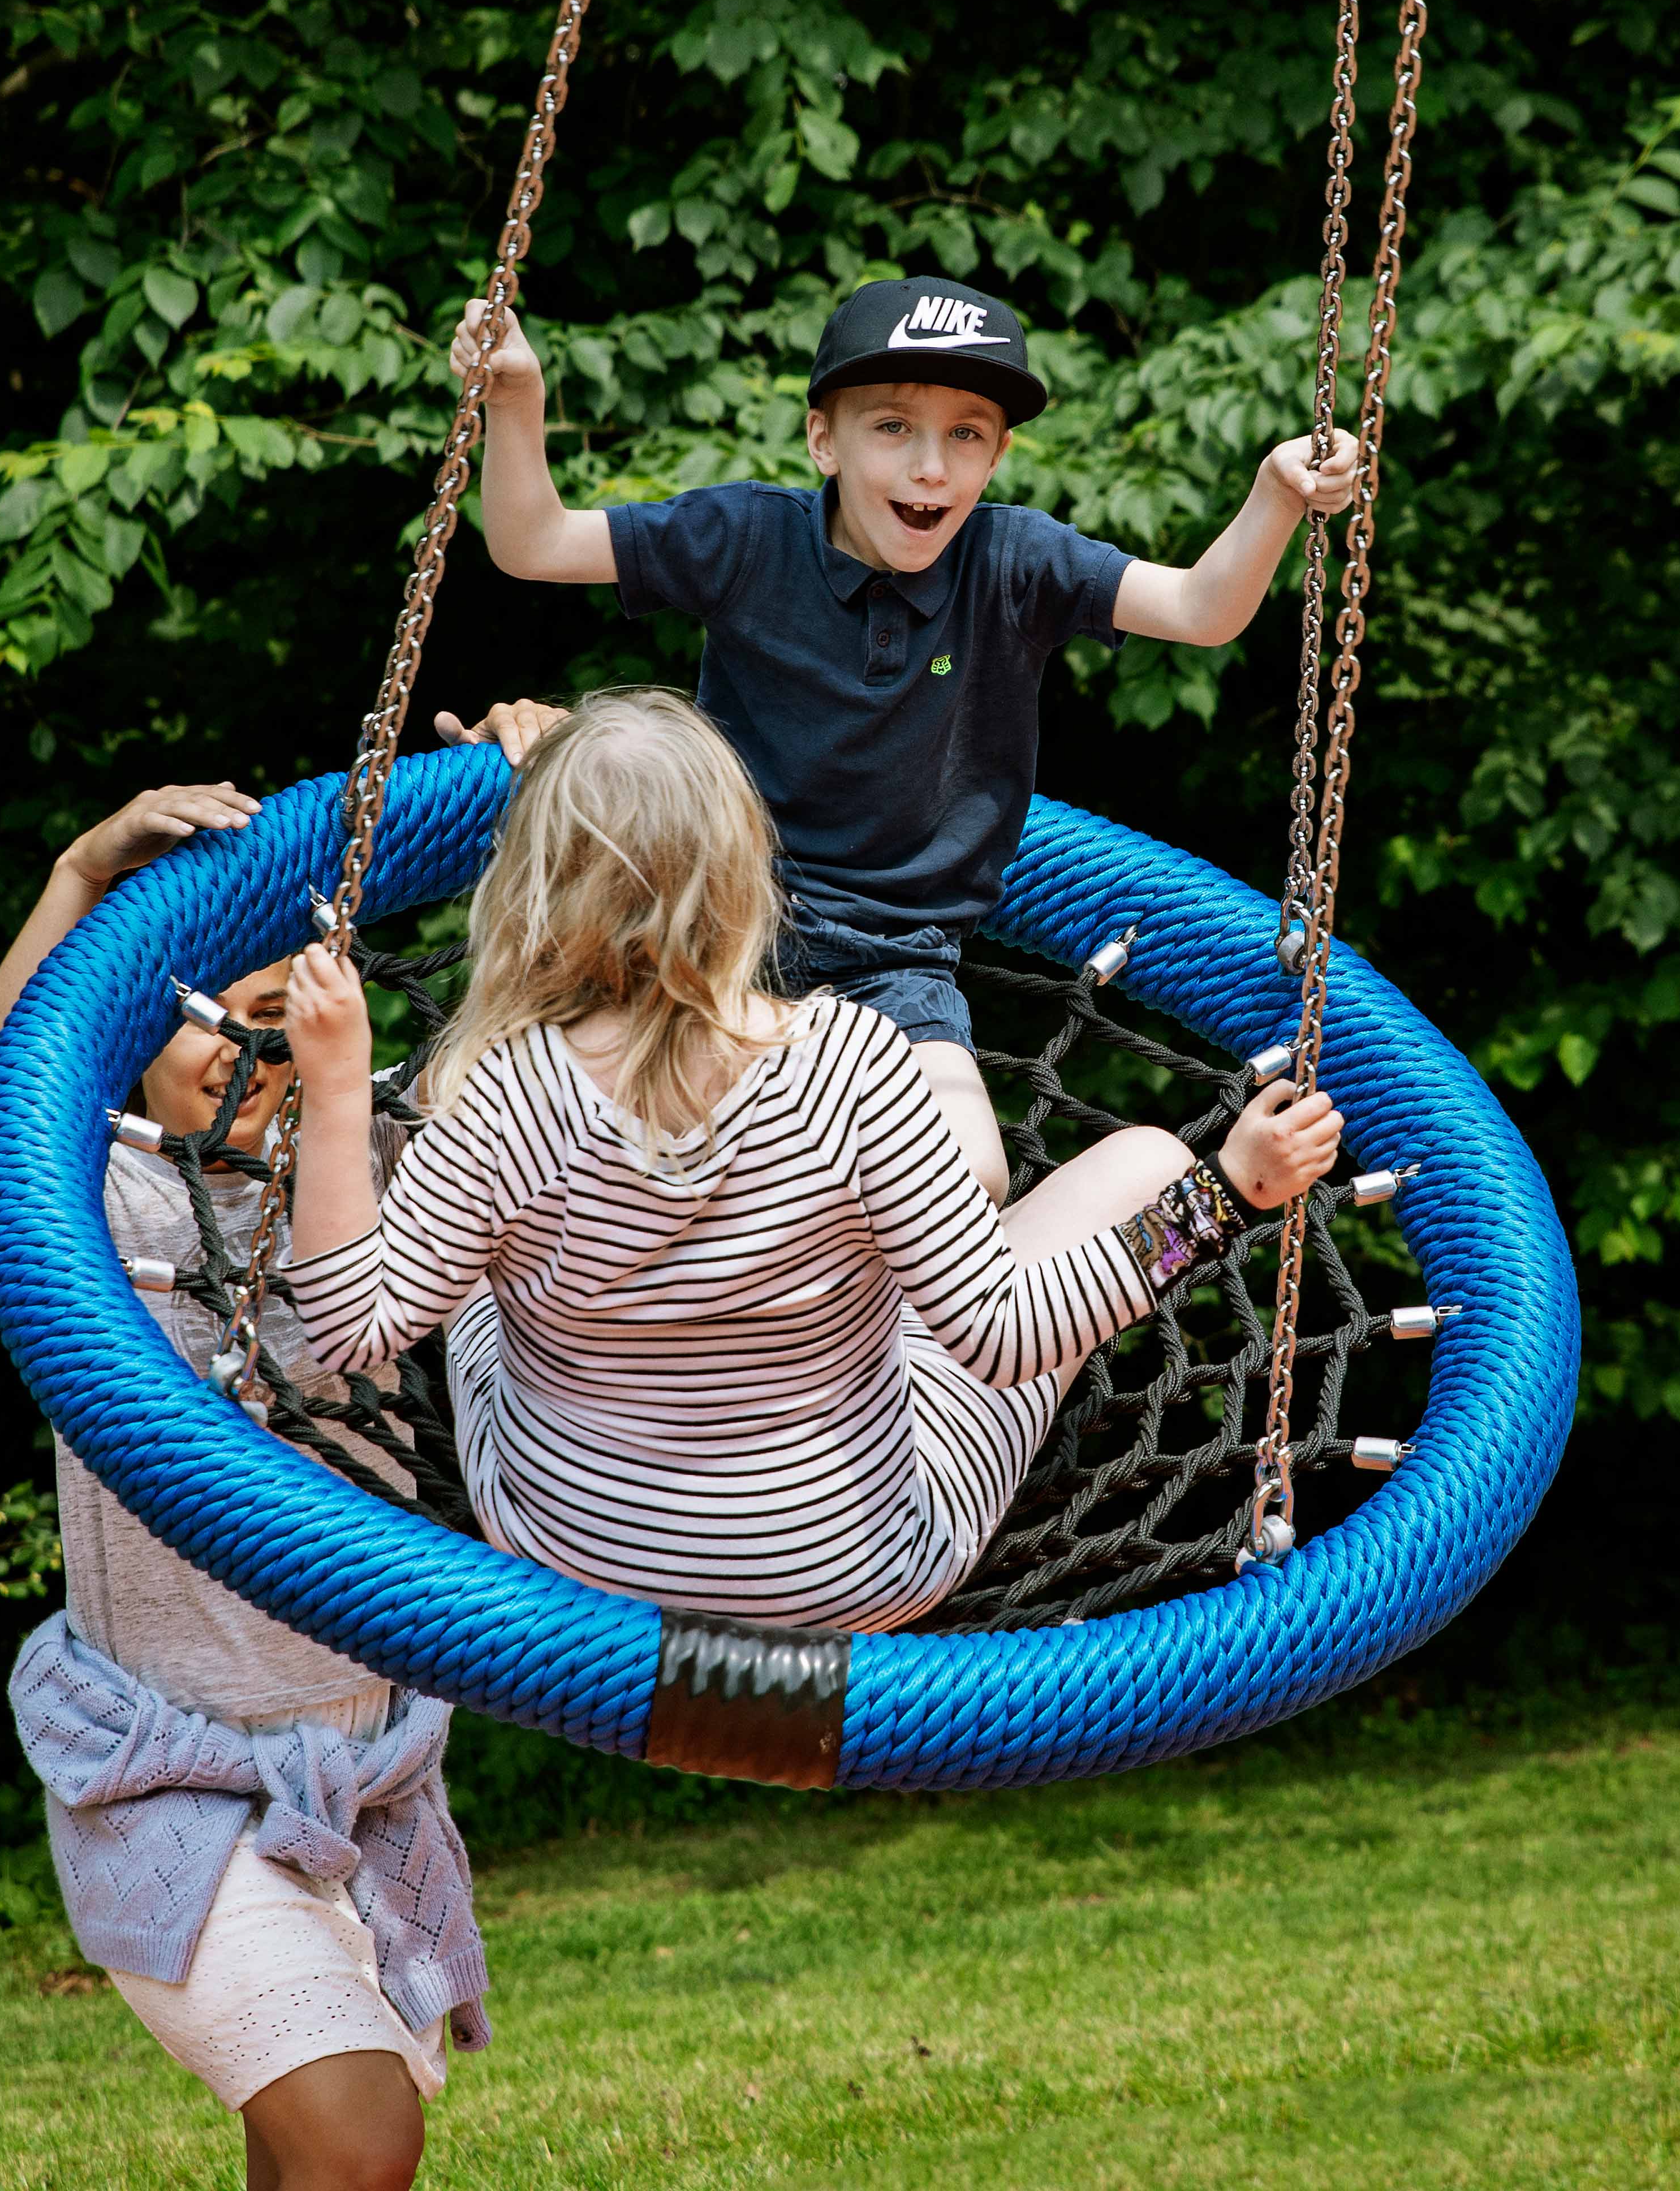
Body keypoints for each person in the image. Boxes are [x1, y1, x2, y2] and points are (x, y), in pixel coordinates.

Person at [281, 690, 1341, 1636]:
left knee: (435, 1171)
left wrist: (334, 1090)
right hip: (856, 1560)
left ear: (530, 892)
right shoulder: (855, 1063)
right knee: (1149, 1158)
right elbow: (1007, 1333)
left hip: (575, 1561)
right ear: (752, 872)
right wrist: (1226, 1190)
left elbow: (348, 1327)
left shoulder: (505, 1093)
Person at [0, 705, 553, 2191]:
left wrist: (536, 801)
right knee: (358, 2144)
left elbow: (547, 1072)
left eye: (289, 1017)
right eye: (222, 1016)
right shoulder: (111, 1207)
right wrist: (79, 874)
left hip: (363, 1773)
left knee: (310, 2171)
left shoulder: (375, 1179)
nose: (256, 1053)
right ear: (129, 1036)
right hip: (171, 1775)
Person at [449, 276, 1357, 1203]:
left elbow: (1201, 610)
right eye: (892, 426)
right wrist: (517, 400)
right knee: (621, 1148)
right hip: (712, 926)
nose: (931, 467)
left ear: (997, 456)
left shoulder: (1015, 562)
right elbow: (534, 542)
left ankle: (935, 1337)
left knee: (971, 1175)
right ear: (821, 438)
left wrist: (1276, 494)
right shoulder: (748, 537)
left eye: (966, 433)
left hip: (897, 964)